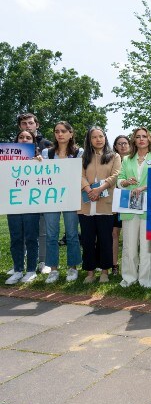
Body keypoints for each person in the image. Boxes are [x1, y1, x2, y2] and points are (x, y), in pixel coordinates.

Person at [117, 127, 151, 288]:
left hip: (150, 207)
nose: (141, 139)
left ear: (149, 139)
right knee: (129, 244)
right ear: (134, 140)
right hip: (130, 206)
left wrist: (144, 187)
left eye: (144, 136)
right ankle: (129, 278)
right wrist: (125, 182)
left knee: (149, 244)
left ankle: (149, 279)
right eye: (138, 137)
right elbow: (119, 179)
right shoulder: (127, 160)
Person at [41, 121, 83, 284]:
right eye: (57, 131)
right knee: (51, 234)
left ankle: (72, 267)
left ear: (71, 133)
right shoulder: (46, 153)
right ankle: (53, 269)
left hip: (71, 197)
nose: (60, 134)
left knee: (72, 234)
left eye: (64, 131)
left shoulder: (80, 152)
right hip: (51, 198)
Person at [79, 127, 122, 284]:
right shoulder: (83, 157)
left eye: (101, 136)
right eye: (94, 137)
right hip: (86, 205)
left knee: (105, 239)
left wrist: (100, 189)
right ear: (89, 140)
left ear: (105, 138)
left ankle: (105, 271)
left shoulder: (114, 156)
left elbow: (116, 175)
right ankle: (90, 273)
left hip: (105, 205)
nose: (98, 139)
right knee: (88, 240)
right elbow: (80, 175)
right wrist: (89, 190)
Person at [17, 112, 51, 275]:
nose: (27, 126)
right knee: (22, 230)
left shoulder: (48, 145)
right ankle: (20, 263)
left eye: (30, 123)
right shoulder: (14, 148)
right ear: (20, 126)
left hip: (42, 194)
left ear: (37, 125)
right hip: (20, 195)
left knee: (42, 230)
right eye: (24, 124)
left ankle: (42, 262)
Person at [5, 129, 41, 285]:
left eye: (28, 137)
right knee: (16, 238)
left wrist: (40, 162)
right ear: (16, 140)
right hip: (13, 203)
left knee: (31, 237)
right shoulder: (6, 159)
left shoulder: (39, 158)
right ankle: (18, 270)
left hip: (31, 203)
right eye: (21, 137)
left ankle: (31, 270)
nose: (24, 139)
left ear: (33, 141)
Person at [111, 135, 131, 274]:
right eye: (119, 144)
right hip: (115, 200)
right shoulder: (111, 160)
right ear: (115, 146)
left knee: (130, 234)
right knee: (114, 233)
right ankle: (114, 265)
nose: (123, 146)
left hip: (131, 199)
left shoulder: (134, 160)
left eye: (125, 143)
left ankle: (131, 265)